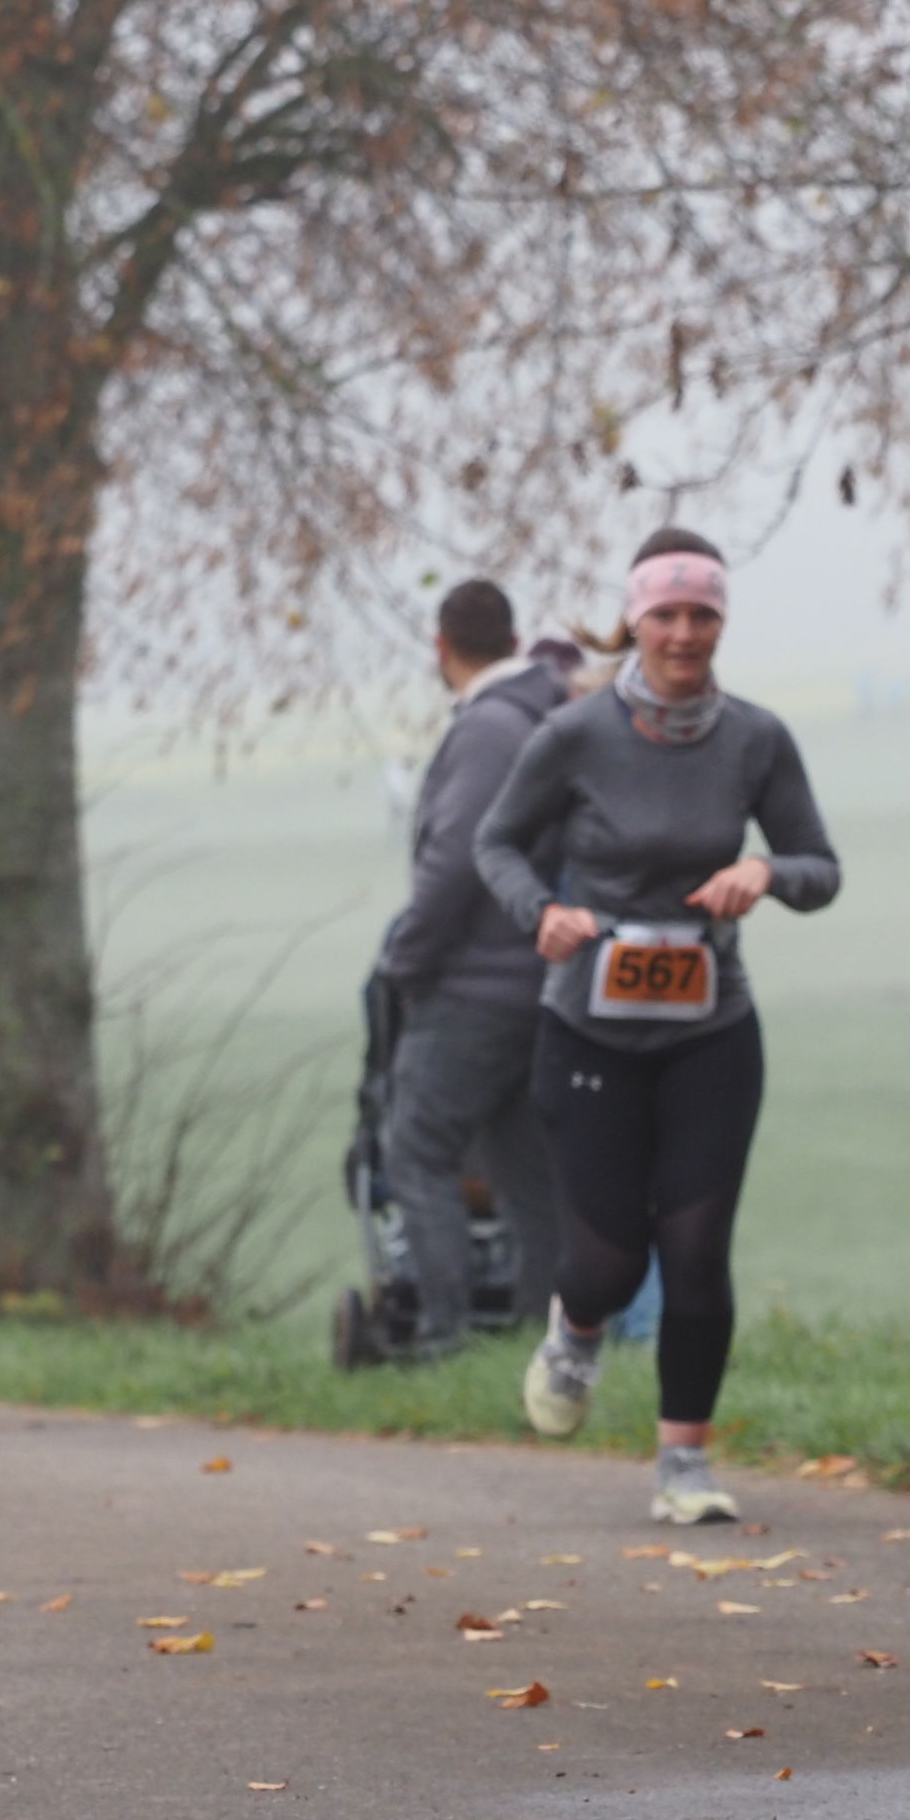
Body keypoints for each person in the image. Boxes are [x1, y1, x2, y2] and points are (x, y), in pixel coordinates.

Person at [472, 528, 839, 1523]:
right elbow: (495, 842)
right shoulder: (576, 735)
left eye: (702, 614)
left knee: (696, 1251)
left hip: (710, 1029)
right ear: (636, 621)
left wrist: (764, 870)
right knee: (609, 1260)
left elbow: (821, 868)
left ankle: (685, 1466)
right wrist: (542, 913)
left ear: (722, 622)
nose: (684, 633)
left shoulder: (755, 739)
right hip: (588, 1028)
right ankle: (576, 1328)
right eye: (666, 614)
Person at [367, 579, 569, 1357]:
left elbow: (457, 860)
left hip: (473, 986)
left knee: (417, 1151)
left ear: (441, 648)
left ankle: (445, 1332)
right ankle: (544, 1335)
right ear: (513, 640)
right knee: (525, 1169)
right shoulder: (542, 716)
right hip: (538, 983)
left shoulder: (488, 729)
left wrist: (406, 960)